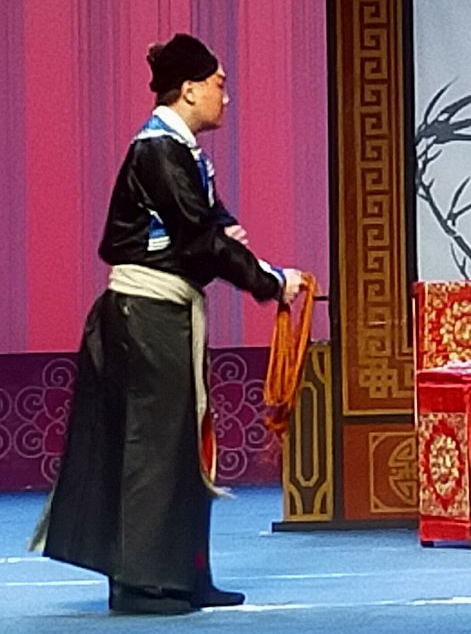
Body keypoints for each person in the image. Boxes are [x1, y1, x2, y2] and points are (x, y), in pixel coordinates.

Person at [39, 35, 307, 615]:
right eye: (219, 85)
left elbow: (210, 224)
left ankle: (185, 575)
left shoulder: (182, 152)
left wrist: (225, 242)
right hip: (145, 316)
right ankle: (143, 585)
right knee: (152, 449)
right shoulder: (158, 150)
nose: (226, 98)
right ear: (188, 90)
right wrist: (269, 280)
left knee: (182, 447)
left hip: (167, 314)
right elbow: (200, 236)